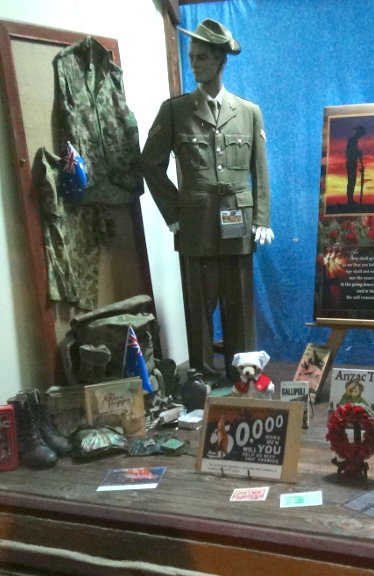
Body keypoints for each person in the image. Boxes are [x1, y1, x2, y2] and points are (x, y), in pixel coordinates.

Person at [140, 19, 273, 384]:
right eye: (191, 57)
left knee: (240, 306)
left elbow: (259, 170)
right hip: (195, 225)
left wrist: (261, 218)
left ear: (220, 61)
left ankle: (243, 372)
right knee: (199, 306)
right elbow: (149, 165)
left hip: (238, 223)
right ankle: (201, 376)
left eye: (202, 58)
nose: (195, 65)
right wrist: (173, 213)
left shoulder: (248, 112)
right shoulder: (175, 111)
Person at [345, 125, 365, 204]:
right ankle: (350, 200)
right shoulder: (352, 140)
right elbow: (349, 154)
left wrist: (359, 157)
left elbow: (356, 154)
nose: (361, 135)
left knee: (352, 181)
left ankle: (350, 199)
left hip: (353, 163)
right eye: (360, 133)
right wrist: (357, 153)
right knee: (351, 181)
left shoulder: (355, 141)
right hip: (351, 163)